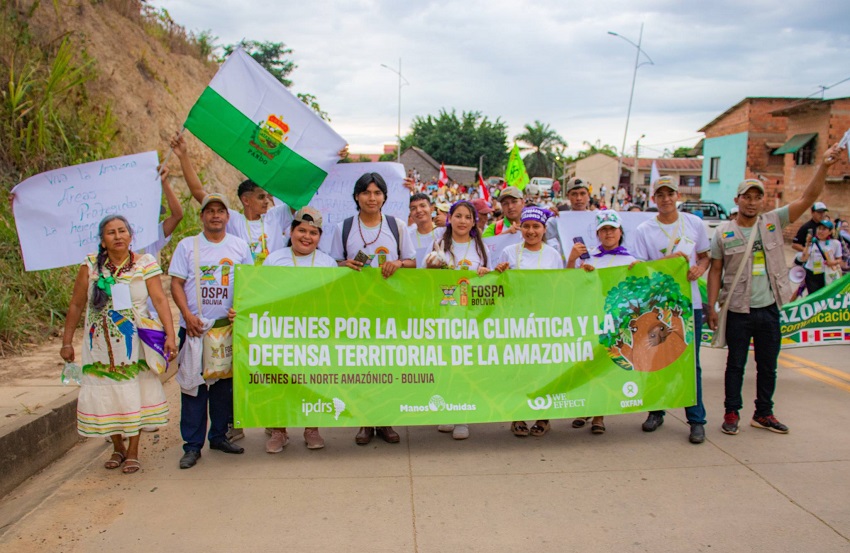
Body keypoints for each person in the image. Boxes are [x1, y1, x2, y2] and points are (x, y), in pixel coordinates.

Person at [707, 143, 844, 436]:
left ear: (762, 201)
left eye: (758, 197)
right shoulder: (723, 233)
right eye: (747, 197)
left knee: (768, 366)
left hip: (769, 309)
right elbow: (715, 270)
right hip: (738, 310)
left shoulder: (773, 222)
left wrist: (824, 166)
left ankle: (763, 413)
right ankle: (732, 412)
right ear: (738, 199)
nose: (752, 202)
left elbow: (809, 198)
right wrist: (712, 306)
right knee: (735, 366)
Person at [60, 214, 177, 475]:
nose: (118, 236)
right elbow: (77, 304)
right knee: (107, 391)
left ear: (131, 235)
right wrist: (67, 341)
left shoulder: (144, 264)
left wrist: (170, 335)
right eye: (111, 232)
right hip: (98, 345)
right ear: (103, 241)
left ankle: (133, 451)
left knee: (132, 391)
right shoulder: (90, 266)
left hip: (135, 343)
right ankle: (117, 448)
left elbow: (159, 300)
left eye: (122, 231)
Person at [330, 172, 416, 445]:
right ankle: (364, 422)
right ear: (357, 196)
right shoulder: (343, 227)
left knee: (388, 365)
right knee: (361, 366)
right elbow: (332, 264)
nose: (372, 198)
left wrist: (398, 264)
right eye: (366, 192)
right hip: (357, 308)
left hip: (390, 307)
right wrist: (345, 265)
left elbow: (413, 262)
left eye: (377, 192)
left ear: (384, 197)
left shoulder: (396, 226)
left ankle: (385, 420)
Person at [169, 193, 253, 469]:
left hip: (226, 330)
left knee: (224, 389)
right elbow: (176, 284)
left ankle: (218, 436)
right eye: (210, 211)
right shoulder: (187, 246)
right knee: (193, 388)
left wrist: (239, 309)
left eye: (220, 211)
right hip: (195, 329)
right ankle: (192, 446)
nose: (215, 215)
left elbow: (249, 284)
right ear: (202, 216)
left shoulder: (240, 246)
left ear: (228, 217)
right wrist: (187, 315)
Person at [633, 175, 710, 444]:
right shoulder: (644, 230)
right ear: (654, 198)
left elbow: (705, 254)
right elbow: (641, 268)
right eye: (660, 194)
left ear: (678, 196)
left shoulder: (694, 223)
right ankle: (656, 411)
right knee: (657, 360)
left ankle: (696, 419)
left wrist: (700, 268)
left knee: (692, 364)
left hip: (690, 305)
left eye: (670, 194)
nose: (666, 199)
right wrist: (669, 262)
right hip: (659, 306)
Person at [261, 207, 338, 452]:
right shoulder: (274, 259)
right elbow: (259, 296)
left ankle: (311, 429)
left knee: (313, 381)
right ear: (291, 231)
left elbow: (334, 301)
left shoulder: (328, 263)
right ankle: (278, 431)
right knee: (279, 381)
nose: (307, 237)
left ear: (320, 236)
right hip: (280, 333)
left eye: (313, 233)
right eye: (302, 230)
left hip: (315, 335)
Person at [567, 210, 639, 435]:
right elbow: (570, 284)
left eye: (612, 229)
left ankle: (599, 415)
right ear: (598, 233)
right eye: (604, 229)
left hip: (616, 322)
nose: (608, 233)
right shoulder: (589, 258)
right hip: (591, 319)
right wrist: (576, 266)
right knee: (587, 364)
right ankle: (585, 407)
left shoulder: (632, 260)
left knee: (606, 367)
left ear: (620, 231)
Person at [495, 207, 563, 438]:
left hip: (544, 321)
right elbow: (498, 286)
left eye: (536, 227)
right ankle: (518, 416)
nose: (531, 231)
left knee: (542, 370)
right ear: (520, 228)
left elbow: (561, 286)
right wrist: (499, 272)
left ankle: (543, 417)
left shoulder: (553, 255)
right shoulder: (509, 252)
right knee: (518, 370)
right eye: (527, 226)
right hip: (516, 322)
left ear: (544, 229)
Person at [425, 200, 491, 440]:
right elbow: (424, 280)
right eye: (458, 216)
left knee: (464, 366)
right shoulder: (438, 245)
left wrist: (485, 273)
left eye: (467, 217)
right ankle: (447, 409)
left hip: (471, 317)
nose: (462, 221)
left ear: (474, 222)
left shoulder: (480, 248)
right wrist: (431, 268)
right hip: (444, 316)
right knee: (445, 364)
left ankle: (462, 416)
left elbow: (490, 280)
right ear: (449, 218)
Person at [800, 220, 842, 294]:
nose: (821, 231)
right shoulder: (813, 242)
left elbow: (839, 260)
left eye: (824, 229)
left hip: (827, 274)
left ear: (830, 231)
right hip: (812, 274)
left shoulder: (835, 243)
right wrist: (807, 243)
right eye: (819, 228)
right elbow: (804, 258)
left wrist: (832, 262)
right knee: (814, 297)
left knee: (827, 296)